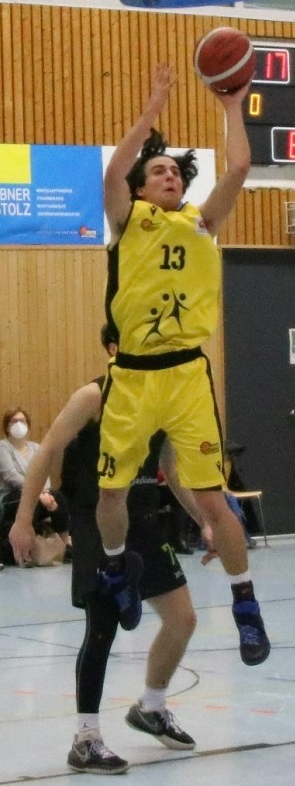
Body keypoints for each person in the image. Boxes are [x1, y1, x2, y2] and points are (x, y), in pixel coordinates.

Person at [96, 62, 269, 664]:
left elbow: (240, 167)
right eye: (158, 170)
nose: (169, 174)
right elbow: (114, 172)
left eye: (174, 170)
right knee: (111, 491)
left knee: (214, 498)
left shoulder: (202, 223)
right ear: (142, 189)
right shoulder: (128, 221)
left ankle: (245, 605)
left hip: (188, 373)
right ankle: (116, 568)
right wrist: (151, 115)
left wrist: (233, 105)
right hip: (134, 375)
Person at [9, 325, 216, 774]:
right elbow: (45, 453)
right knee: (102, 628)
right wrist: (23, 519)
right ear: (114, 348)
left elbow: (171, 469)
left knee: (182, 619)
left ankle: (151, 707)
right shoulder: (93, 397)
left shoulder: (163, 398)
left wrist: (206, 521)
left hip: (143, 520)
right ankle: (85, 739)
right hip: (97, 521)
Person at [0, 407, 71, 564]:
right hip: (10, 496)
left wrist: (46, 493)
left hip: (39, 492)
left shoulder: (36, 448)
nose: (18, 424)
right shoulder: (2, 448)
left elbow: (43, 474)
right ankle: (26, 550)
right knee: (33, 502)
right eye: (14, 421)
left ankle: (65, 545)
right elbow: (11, 477)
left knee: (58, 497)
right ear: (7, 426)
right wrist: (38, 494)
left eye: (22, 421)